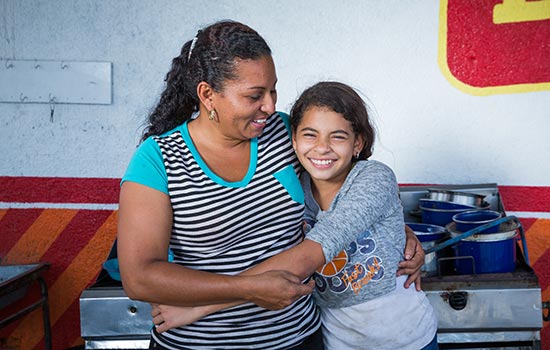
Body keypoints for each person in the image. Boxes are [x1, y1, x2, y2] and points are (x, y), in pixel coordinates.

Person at [117, 20, 425, 349]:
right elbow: (140, 277)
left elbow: (352, 195)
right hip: (195, 344)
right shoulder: (157, 160)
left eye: (273, 90)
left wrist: (398, 233)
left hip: (298, 339)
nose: (270, 106)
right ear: (208, 94)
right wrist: (245, 290)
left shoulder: (284, 133)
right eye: (254, 96)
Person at [151, 81, 438, 349]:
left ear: (358, 143)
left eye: (338, 137)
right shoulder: (296, 188)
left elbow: (308, 255)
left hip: (406, 337)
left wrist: (198, 308)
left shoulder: (374, 178)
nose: (322, 148)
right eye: (310, 135)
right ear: (294, 140)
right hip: (337, 339)